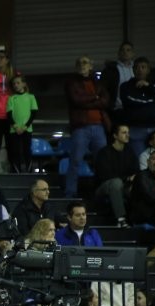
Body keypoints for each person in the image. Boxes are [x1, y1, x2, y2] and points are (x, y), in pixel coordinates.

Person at [64, 55, 110, 199]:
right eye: (79, 63)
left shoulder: (98, 83)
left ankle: (102, 192)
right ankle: (70, 193)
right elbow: (76, 100)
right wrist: (94, 97)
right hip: (81, 127)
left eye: (85, 63)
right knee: (75, 160)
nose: (82, 65)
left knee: (102, 162)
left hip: (99, 127)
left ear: (91, 65)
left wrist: (90, 100)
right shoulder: (71, 82)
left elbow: (105, 102)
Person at [119, 57, 155, 159]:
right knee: (141, 160)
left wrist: (149, 86)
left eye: (143, 67)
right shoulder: (126, 86)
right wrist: (152, 101)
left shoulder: (153, 86)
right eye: (137, 67)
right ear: (133, 70)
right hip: (136, 130)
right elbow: (130, 101)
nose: (140, 70)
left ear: (148, 70)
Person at [94, 124, 139, 228]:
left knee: (140, 184)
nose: (127, 135)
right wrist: (127, 178)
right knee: (116, 182)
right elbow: (105, 175)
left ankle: (138, 220)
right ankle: (121, 220)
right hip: (103, 187)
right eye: (124, 133)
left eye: (128, 133)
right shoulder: (104, 152)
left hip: (125, 186)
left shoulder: (130, 151)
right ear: (115, 135)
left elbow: (136, 170)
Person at [5, 74, 38, 174]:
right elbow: (9, 114)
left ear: (24, 84)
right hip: (14, 130)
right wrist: (15, 126)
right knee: (15, 152)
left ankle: (29, 171)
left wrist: (25, 126)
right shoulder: (11, 98)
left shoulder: (31, 97)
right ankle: (16, 172)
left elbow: (33, 113)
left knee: (26, 151)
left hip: (27, 129)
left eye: (18, 83)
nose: (16, 85)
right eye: (14, 83)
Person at [130, 150, 155, 230]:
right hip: (146, 212)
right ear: (148, 161)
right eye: (154, 159)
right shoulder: (141, 176)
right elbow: (150, 196)